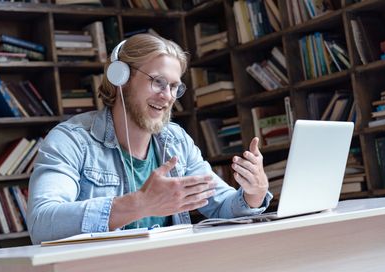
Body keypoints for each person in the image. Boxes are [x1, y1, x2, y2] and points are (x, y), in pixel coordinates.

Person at [27, 33, 272, 244]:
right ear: (120, 78)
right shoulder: (71, 141)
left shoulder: (176, 141)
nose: (167, 97)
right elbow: (42, 222)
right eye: (158, 82)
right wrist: (139, 204)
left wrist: (254, 194)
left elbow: (221, 206)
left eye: (174, 87)